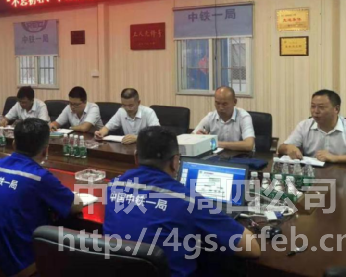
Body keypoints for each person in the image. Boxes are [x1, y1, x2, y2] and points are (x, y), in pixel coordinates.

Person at [103, 126, 260, 276]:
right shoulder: (187, 200)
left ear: (136, 157)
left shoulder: (113, 186)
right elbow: (252, 249)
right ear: (175, 161)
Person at [0, 118, 83, 277]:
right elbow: (74, 206)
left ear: (14, 144)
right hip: (23, 266)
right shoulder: (39, 177)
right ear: (45, 150)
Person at [279, 90, 346, 164]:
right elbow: (281, 148)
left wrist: (335, 158)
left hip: (344, 171)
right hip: (312, 171)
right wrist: (289, 148)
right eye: (313, 106)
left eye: (321, 107)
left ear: (336, 109)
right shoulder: (304, 125)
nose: (316, 111)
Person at [194, 87, 255, 152]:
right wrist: (200, 137)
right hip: (218, 156)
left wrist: (215, 143)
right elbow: (192, 136)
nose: (220, 108)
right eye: (217, 103)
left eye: (224, 104)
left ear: (234, 102)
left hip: (241, 156)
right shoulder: (211, 117)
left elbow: (249, 145)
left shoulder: (243, 117)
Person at [95, 88, 159, 144]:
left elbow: (156, 134)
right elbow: (107, 127)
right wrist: (100, 133)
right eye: (124, 105)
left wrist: (138, 138)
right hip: (127, 148)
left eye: (131, 105)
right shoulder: (121, 111)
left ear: (138, 102)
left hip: (146, 147)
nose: (127, 108)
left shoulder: (149, 112)